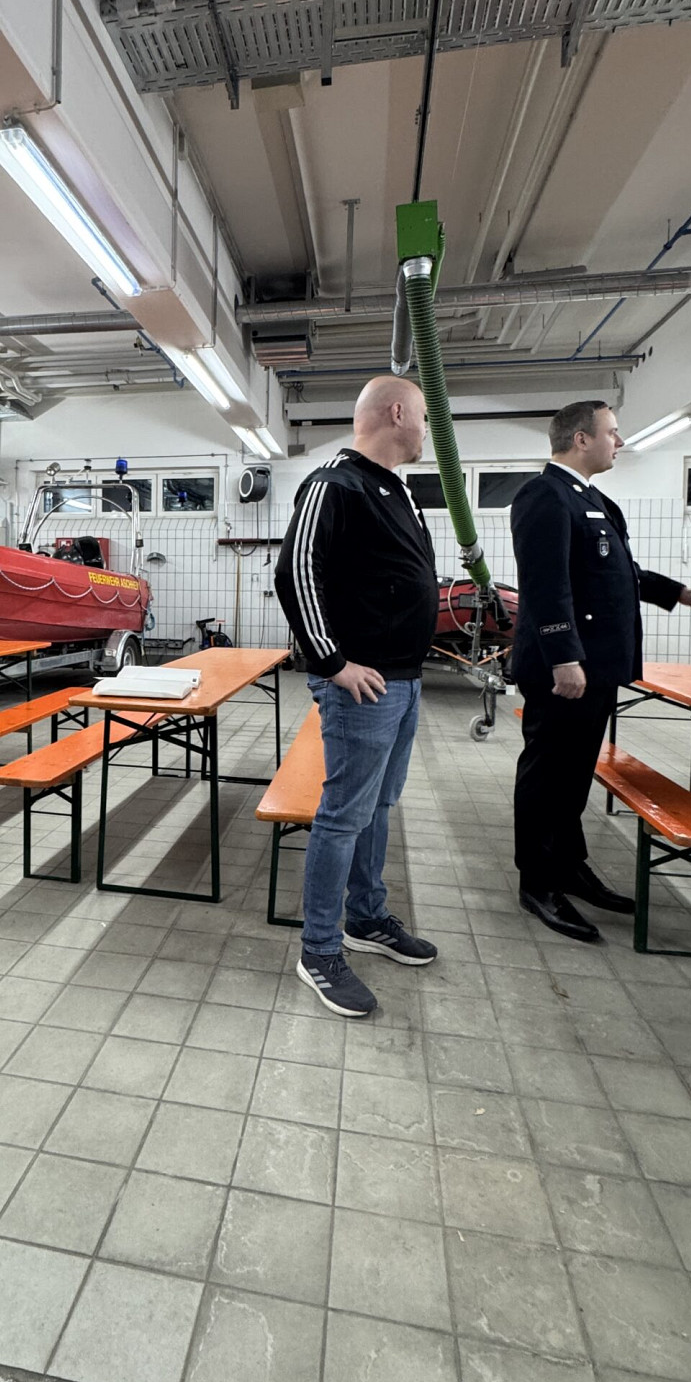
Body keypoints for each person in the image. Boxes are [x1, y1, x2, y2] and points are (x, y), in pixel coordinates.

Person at [510, 401, 691, 943]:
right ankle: (537, 880)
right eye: (613, 433)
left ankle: (568, 865)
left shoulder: (594, 500)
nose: (619, 442)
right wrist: (563, 656)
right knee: (548, 773)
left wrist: (680, 593)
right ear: (581, 439)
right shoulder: (544, 495)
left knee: (575, 773)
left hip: (596, 667)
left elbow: (620, 572)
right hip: (566, 669)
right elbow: (545, 585)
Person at [274, 376, 441, 1017]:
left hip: (404, 678)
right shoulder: (334, 483)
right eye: (423, 416)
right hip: (364, 684)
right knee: (344, 815)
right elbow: (296, 572)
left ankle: (366, 918)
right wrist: (332, 662)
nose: (426, 430)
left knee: (379, 806)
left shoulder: (395, 489)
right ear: (397, 413)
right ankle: (319, 950)